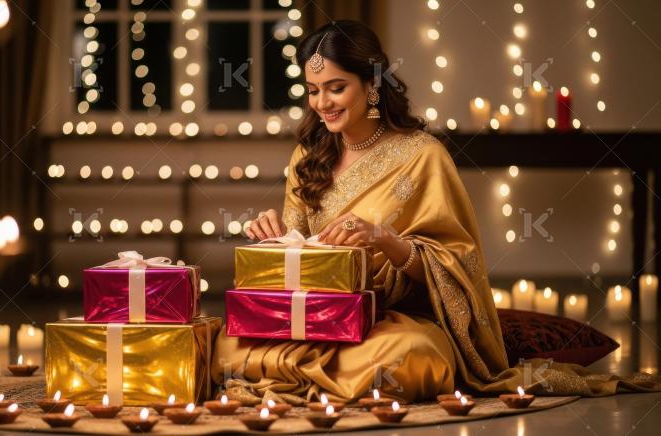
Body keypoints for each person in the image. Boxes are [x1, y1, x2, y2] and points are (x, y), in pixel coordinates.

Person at [213, 20, 659, 405]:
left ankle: (298, 378)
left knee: (408, 358)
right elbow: (297, 254)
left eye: (336, 87)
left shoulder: (421, 155)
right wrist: (273, 239)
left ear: (371, 85)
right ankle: (322, 379)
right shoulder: (308, 155)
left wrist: (386, 240)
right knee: (224, 346)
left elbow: (459, 263)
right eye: (313, 91)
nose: (323, 103)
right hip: (319, 320)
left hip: (391, 321)